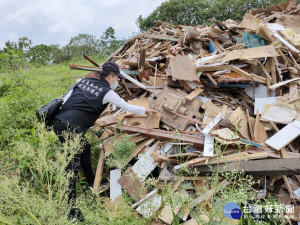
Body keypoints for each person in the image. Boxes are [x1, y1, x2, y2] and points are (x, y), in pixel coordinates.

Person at [51, 61, 156, 221]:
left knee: (84, 148)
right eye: (116, 78)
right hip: (71, 128)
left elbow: (66, 99)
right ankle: (70, 210)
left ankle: (91, 182)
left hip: (59, 122)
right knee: (71, 165)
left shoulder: (82, 81)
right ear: (109, 76)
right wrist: (146, 111)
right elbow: (126, 106)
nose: (117, 81)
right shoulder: (107, 92)